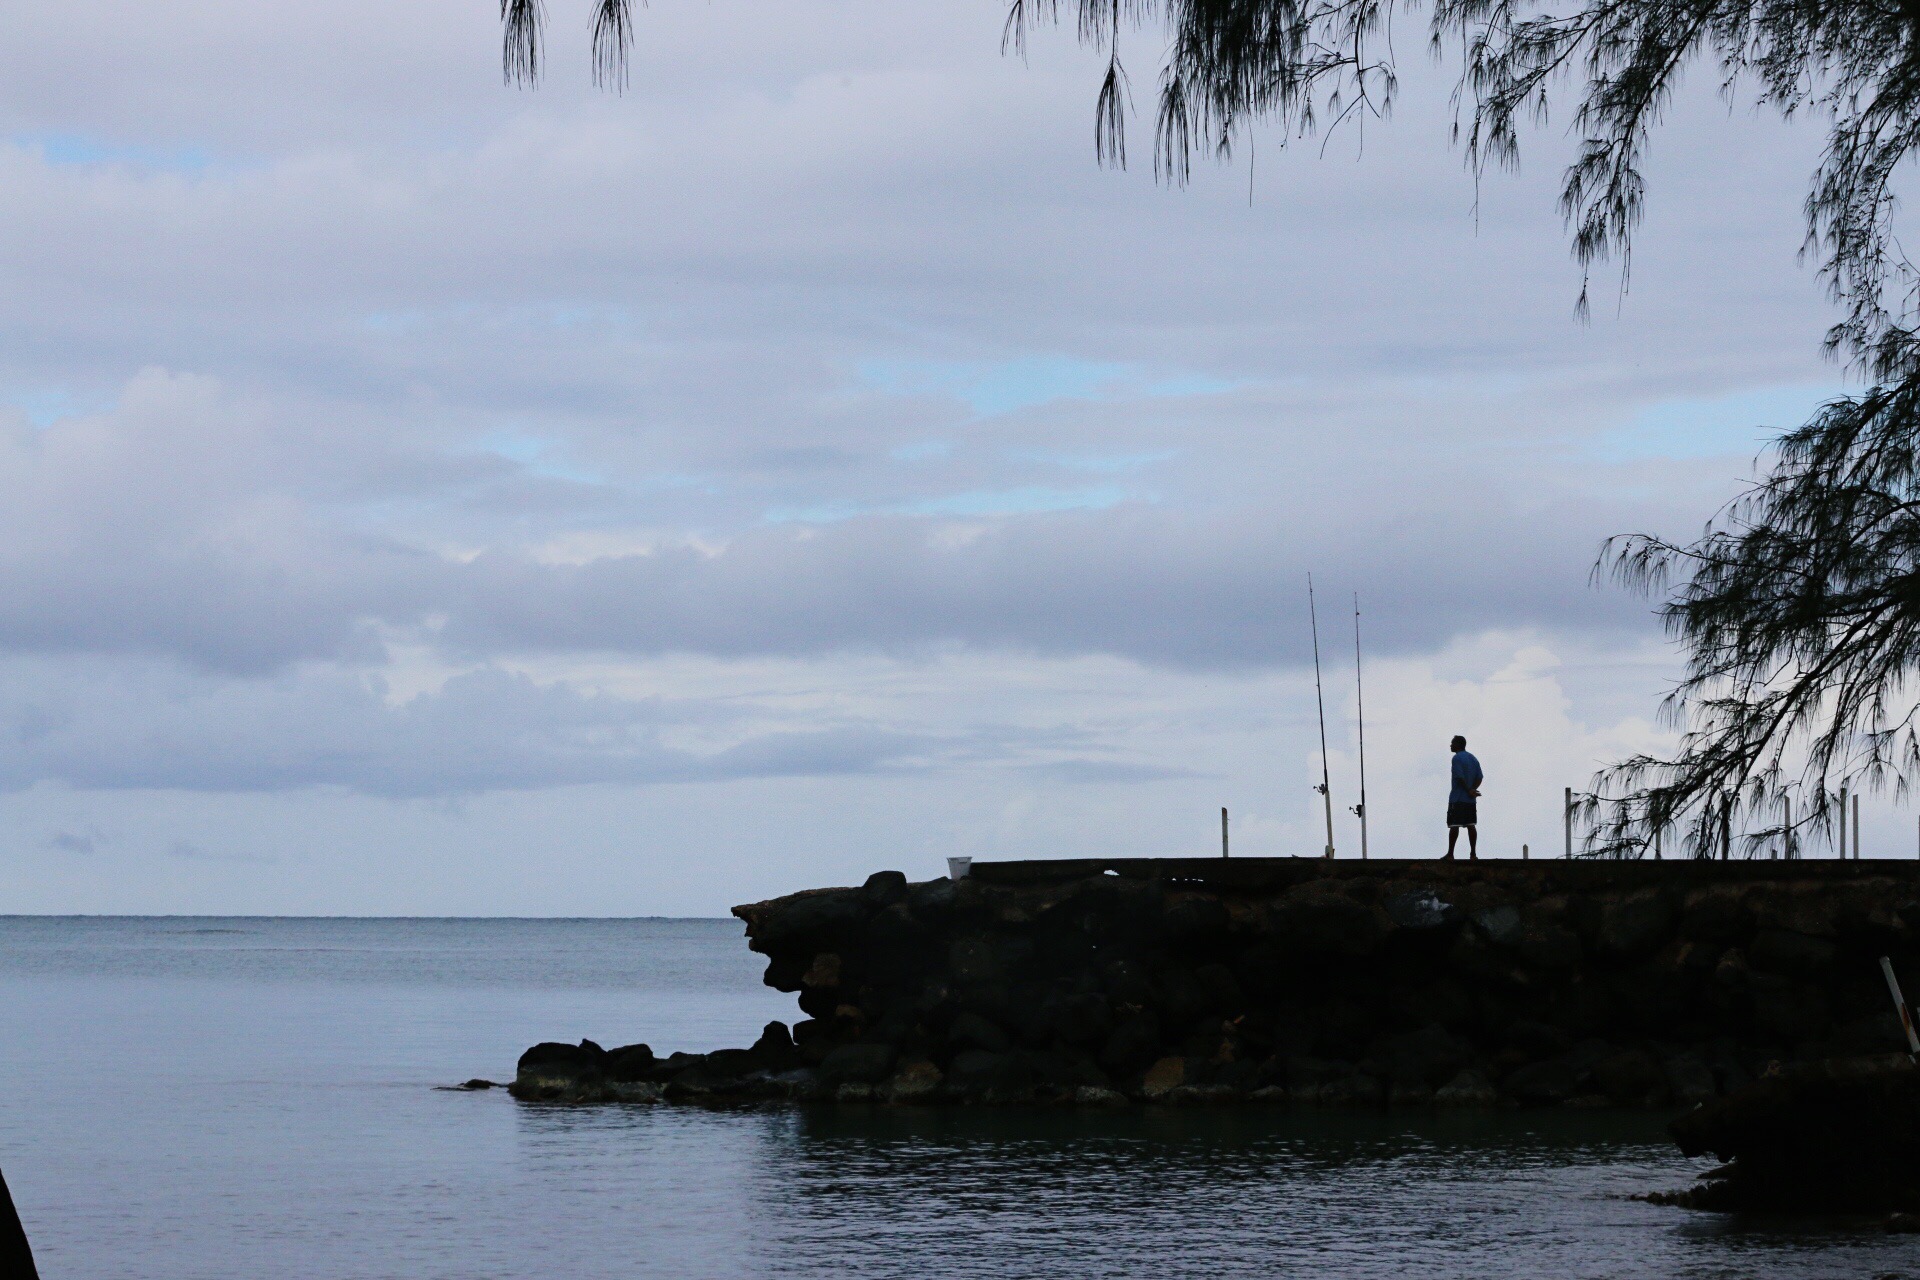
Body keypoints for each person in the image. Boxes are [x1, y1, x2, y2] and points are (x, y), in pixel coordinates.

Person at [1445, 734, 1483, 860]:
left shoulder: (1456, 758)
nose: (1450, 745)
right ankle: (1473, 854)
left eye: (1452, 743)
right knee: (1471, 825)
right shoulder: (1473, 758)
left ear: (1458, 745)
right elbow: (1480, 777)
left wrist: (1467, 790)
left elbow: (1459, 777)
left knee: (1454, 826)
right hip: (1470, 800)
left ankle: (1450, 854)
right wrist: (1472, 790)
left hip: (1457, 798)